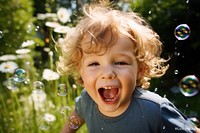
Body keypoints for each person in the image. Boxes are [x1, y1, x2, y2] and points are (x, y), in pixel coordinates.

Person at [56, 1, 200, 133]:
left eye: (120, 63)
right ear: (80, 71)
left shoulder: (154, 110)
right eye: (94, 64)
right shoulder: (87, 100)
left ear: (140, 69)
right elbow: (77, 114)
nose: (107, 73)